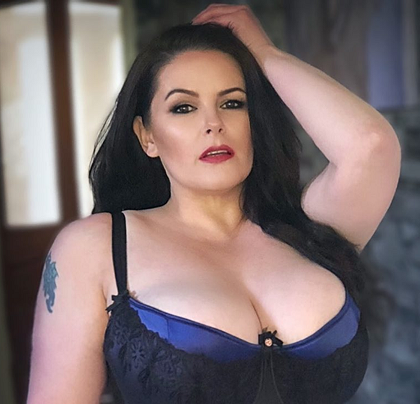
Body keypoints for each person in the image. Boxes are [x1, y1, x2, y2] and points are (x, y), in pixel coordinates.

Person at [27, 4, 401, 403]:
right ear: (147, 136)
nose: (214, 124)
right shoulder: (96, 248)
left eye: (232, 103)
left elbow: (371, 146)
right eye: (183, 108)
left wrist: (264, 53)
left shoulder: (309, 230)